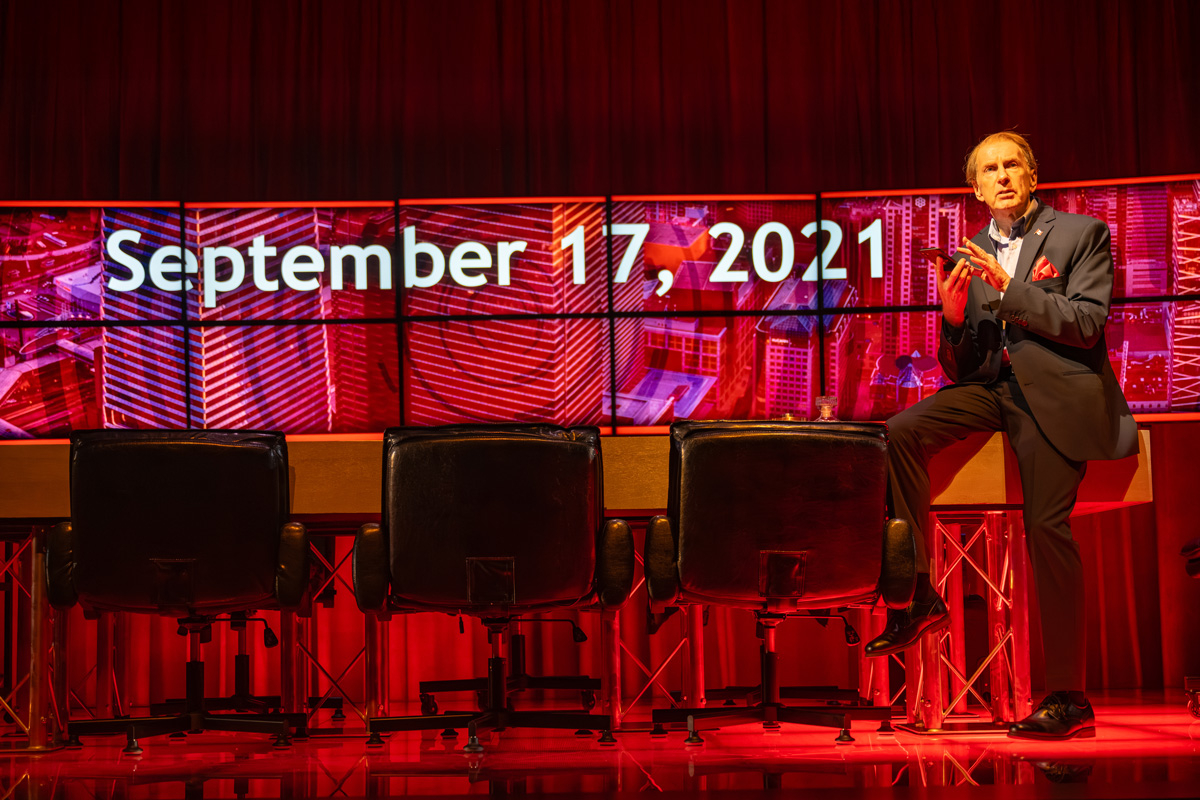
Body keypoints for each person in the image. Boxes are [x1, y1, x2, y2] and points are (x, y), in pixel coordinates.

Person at [863, 131, 1138, 741]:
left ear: (1033, 175)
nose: (1003, 174)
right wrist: (953, 320)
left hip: (1057, 394)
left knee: (1046, 528)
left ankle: (1069, 697)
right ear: (977, 188)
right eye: (989, 169)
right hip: (994, 391)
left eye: (1012, 163)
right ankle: (918, 595)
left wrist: (1010, 291)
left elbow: (1088, 325)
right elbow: (964, 368)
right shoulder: (972, 250)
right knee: (899, 431)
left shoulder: (1079, 233)